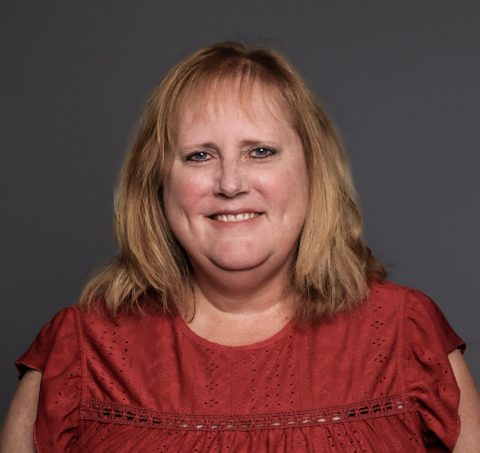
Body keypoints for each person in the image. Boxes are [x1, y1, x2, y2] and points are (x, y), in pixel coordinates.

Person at [1, 41, 479, 452]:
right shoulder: (80, 353)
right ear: (157, 183)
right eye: (199, 155)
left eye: (260, 151)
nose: (230, 184)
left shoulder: (405, 336)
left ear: (312, 171)